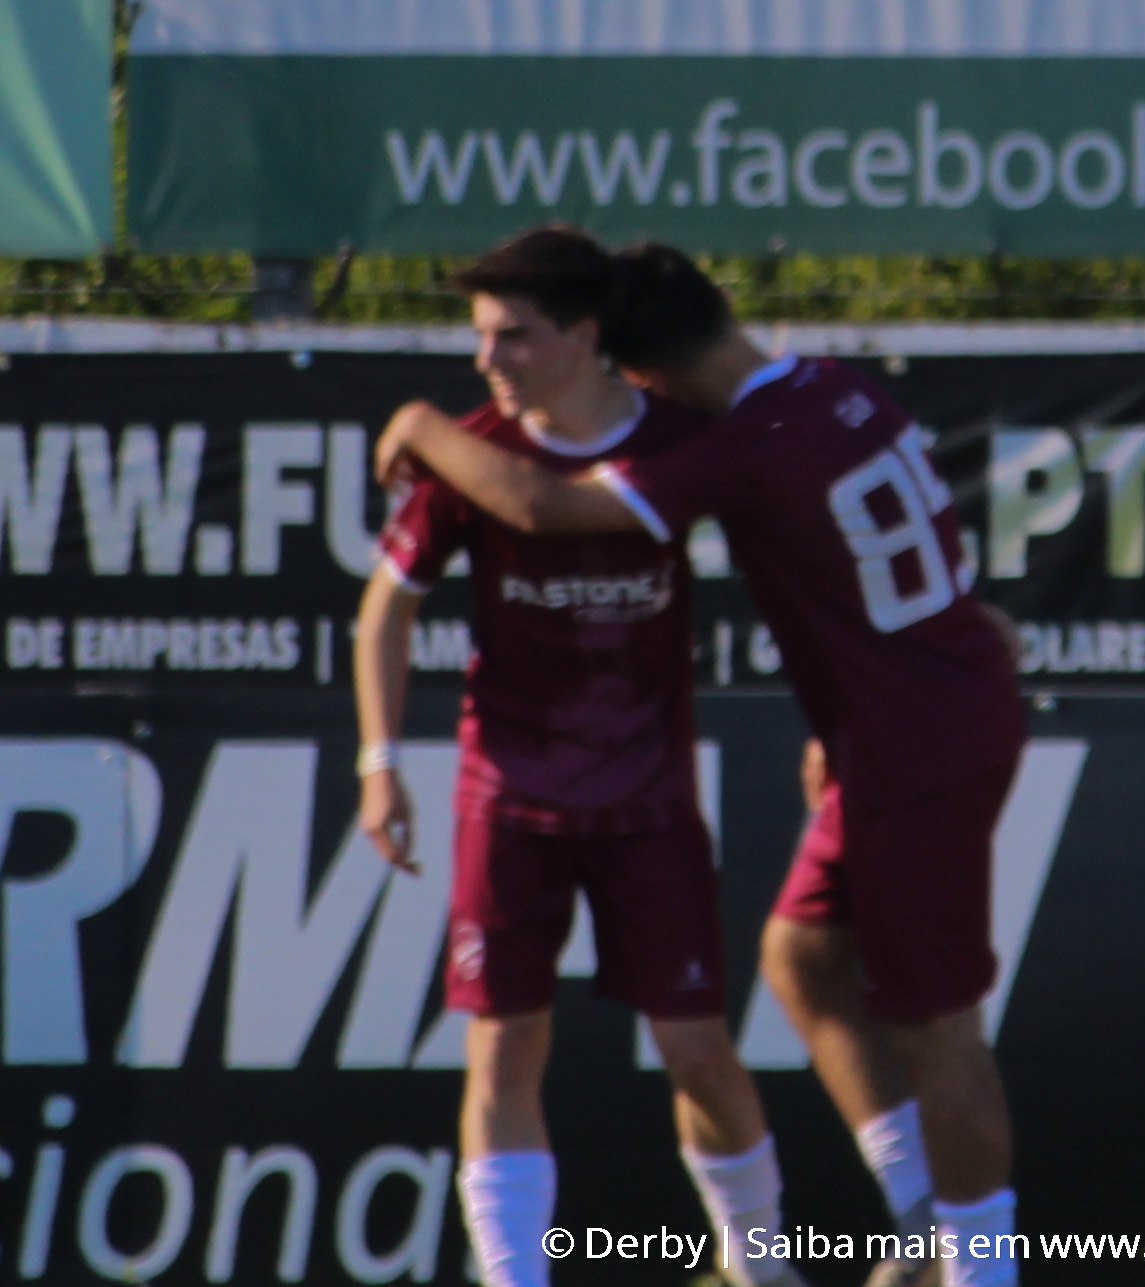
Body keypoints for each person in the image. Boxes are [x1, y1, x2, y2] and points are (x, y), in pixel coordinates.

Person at [373, 243, 1028, 1287]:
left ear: (641, 374)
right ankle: (917, 1213)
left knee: (935, 1021)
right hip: (908, 716)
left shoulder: (741, 442)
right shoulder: (828, 385)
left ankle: (980, 1270)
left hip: (917, 747)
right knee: (802, 956)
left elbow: (545, 507)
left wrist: (418, 428)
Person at [354, 227, 802, 1287]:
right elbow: (385, 608)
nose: (488, 358)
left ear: (585, 335)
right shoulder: (467, 448)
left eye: (513, 334)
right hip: (508, 797)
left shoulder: (682, 439)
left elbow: (803, 556)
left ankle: (761, 1263)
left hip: (648, 800)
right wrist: (378, 758)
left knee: (698, 1048)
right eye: (480, 335)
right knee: (502, 1051)